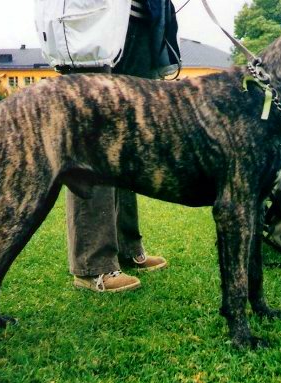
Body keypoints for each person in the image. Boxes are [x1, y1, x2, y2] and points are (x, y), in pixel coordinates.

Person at [57, 0, 180, 292]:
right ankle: (93, 265)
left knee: (128, 146)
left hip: (141, 20)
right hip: (92, 21)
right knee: (93, 146)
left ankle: (127, 246)